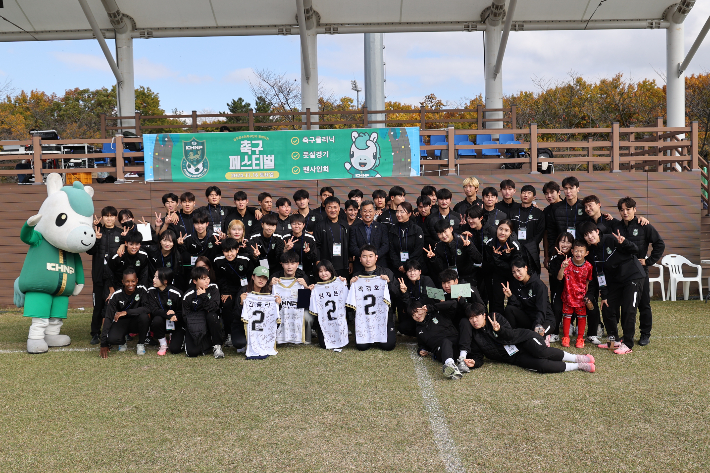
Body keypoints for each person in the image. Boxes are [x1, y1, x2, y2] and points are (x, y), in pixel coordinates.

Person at [457, 303, 596, 374]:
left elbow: (510, 335)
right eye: (471, 318)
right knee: (540, 365)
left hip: (523, 339)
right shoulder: (475, 336)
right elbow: (479, 357)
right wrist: (474, 362)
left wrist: (499, 330)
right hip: (514, 357)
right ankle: (579, 366)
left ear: (483, 314)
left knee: (541, 352)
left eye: (476, 316)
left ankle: (577, 357)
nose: (474, 320)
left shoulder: (495, 317)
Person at [581, 222, 645, 355]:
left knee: (628, 310)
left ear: (597, 231)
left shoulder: (610, 238)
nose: (590, 237)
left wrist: (624, 242)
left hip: (632, 276)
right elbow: (600, 275)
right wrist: (604, 295)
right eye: (586, 235)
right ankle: (613, 340)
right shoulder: (592, 253)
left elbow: (635, 250)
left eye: (591, 233)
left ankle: (627, 344)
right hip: (616, 282)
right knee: (607, 305)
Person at [612, 196, 665, 346]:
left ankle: (645, 334)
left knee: (643, 304)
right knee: (626, 305)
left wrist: (648, 261)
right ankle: (626, 334)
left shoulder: (644, 226)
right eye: (621, 210)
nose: (625, 212)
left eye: (628, 209)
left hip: (640, 272)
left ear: (634, 209)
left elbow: (659, 244)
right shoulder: (617, 226)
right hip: (622, 273)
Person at [349, 244, 398, 351]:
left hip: (383, 316)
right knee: (362, 346)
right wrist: (350, 285)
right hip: (364, 317)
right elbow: (349, 303)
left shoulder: (386, 272)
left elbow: (397, 294)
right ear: (360, 259)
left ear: (376, 257)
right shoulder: (356, 277)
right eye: (364, 256)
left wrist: (388, 283)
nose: (367, 259)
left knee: (388, 346)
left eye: (370, 256)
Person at [87, 205, 122, 344]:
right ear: (103, 217)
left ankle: (118, 331)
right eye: (106, 216)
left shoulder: (120, 233)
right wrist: (96, 239)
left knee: (116, 305)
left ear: (115, 218)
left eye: (112, 216)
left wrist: (124, 244)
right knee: (98, 306)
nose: (109, 218)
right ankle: (95, 333)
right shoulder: (96, 231)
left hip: (115, 278)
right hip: (99, 276)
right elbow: (90, 251)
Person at [99, 268, 151, 358]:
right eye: (127, 281)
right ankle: (122, 341)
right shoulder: (117, 295)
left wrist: (127, 312)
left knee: (145, 317)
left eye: (133, 281)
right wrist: (103, 343)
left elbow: (148, 308)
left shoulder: (142, 290)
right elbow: (108, 318)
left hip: (136, 321)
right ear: (122, 282)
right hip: (122, 322)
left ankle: (141, 344)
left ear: (137, 280)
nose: (130, 284)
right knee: (112, 339)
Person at [500, 258, 555, 340]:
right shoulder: (516, 284)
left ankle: (544, 337)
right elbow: (519, 306)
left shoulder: (539, 285)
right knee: (509, 309)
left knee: (535, 337)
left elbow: (541, 310)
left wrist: (536, 326)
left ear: (526, 268)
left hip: (544, 320)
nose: (517, 274)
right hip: (529, 318)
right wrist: (511, 296)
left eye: (519, 270)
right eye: (514, 272)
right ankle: (511, 336)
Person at [214, 237, 254, 348]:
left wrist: (245, 292)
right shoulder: (218, 260)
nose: (229, 254)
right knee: (226, 305)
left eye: (232, 250)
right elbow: (220, 279)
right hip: (227, 289)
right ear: (223, 251)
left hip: (243, 288)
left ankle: (246, 331)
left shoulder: (245, 259)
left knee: (243, 305)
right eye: (226, 251)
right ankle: (228, 334)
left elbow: (251, 276)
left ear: (237, 250)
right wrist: (226, 292)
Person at [409, 300, 463, 379]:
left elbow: (454, 304)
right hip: (440, 352)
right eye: (413, 315)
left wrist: (431, 307)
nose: (417, 316)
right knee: (445, 342)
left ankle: (452, 365)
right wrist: (421, 349)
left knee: (447, 341)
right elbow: (421, 344)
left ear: (423, 308)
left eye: (418, 311)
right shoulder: (419, 329)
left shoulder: (439, 313)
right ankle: (450, 365)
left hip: (456, 345)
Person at [239, 266, 282, 359]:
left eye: (264, 278)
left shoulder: (269, 293)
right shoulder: (244, 291)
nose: (261, 280)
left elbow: (275, 313)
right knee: (239, 343)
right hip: (244, 325)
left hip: (262, 326)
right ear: (253, 277)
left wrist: (278, 304)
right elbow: (235, 314)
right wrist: (241, 302)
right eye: (259, 277)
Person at [557, 241, 594, 348]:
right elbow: (559, 278)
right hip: (568, 296)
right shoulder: (567, 263)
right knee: (567, 317)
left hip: (581, 298)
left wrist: (586, 296)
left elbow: (588, 282)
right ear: (572, 251)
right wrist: (563, 267)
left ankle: (580, 338)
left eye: (581, 251)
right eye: (576, 251)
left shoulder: (588, 266)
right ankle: (566, 337)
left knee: (581, 317)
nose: (578, 253)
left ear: (586, 253)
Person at [182, 266, 224, 358]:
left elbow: (214, 308)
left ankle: (217, 346)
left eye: (208, 278)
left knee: (212, 316)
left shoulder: (213, 288)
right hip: (196, 324)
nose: (207, 281)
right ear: (195, 281)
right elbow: (186, 316)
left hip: (209, 322)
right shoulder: (188, 295)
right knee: (192, 353)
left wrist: (204, 296)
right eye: (203, 279)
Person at [425, 219, 482, 287]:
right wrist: (433, 258)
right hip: (450, 281)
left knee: (465, 297)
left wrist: (469, 247)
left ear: (451, 229)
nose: (443, 235)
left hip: (468, 278)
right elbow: (440, 269)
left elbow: (478, 259)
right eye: (440, 233)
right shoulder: (438, 246)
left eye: (445, 231)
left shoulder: (463, 240)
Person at [483, 219, 521, 315]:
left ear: (511, 232)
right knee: (497, 300)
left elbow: (514, 266)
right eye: (500, 229)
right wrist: (496, 257)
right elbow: (489, 264)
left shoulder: (514, 245)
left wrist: (506, 256)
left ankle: (511, 324)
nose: (502, 233)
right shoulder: (490, 243)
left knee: (512, 299)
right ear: (497, 229)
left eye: (506, 230)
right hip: (497, 273)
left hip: (513, 274)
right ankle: (497, 324)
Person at [309, 259, 349, 350]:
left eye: (326, 270)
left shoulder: (340, 283)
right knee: (324, 345)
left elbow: (347, 299)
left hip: (338, 319)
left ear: (331, 271)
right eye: (320, 271)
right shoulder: (316, 287)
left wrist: (344, 283)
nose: (323, 274)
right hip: (324, 321)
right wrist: (309, 290)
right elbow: (312, 308)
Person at [146, 267, 183, 356]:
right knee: (157, 320)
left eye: (157, 278)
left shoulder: (177, 293)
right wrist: (168, 315)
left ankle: (173, 336)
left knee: (175, 349)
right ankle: (163, 344)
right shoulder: (151, 291)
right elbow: (154, 310)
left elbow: (182, 311)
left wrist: (175, 315)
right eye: (154, 276)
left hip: (175, 322)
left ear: (165, 281)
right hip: (161, 321)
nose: (153, 279)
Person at [395, 259, 436, 336]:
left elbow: (427, 300)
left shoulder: (427, 280)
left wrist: (412, 305)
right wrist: (404, 293)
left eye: (415, 270)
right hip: (415, 315)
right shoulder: (405, 283)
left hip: (428, 313)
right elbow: (408, 307)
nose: (412, 273)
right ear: (406, 273)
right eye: (409, 271)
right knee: (402, 328)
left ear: (420, 272)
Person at [547, 232, 575, 343]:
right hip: (558, 289)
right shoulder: (554, 258)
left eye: (568, 242)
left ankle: (571, 325)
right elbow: (556, 277)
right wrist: (560, 259)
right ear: (558, 243)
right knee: (557, 309)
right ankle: (555, 332)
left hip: (572, 289)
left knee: (572, 307)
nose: (565, 244)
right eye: (562, 241)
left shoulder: (574, 257)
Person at [314, 196, 351, 278]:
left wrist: (350, 262)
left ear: (339, 209)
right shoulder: (320, 226)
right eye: (329, 207)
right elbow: (316, 245)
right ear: (326, 209)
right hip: (326, 266)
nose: (333, 210)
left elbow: (349, 244)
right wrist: (317, 260)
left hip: (343, 265)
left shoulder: (344, 225)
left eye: (335, 207)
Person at [512, 184, 545, 274]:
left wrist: (529, 245)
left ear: (534, 197)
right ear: (520, 195)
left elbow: (540, 233)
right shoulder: (513, 212)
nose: (526, 195)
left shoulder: (539, 213)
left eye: (529, 193)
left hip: (531, 251)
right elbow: (510, 230)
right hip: (515, 250)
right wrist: (516, 244)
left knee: (532, 277)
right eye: (523, 192)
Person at [350, 200, 390, 273]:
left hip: (379, 264)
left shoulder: (382, 227)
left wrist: (374, 257)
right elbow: (352, 247)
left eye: (370, 211)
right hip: (360, 266)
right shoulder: (354, 228)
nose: (367, 214)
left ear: (374, 212)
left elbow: (385, 245)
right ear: (361, 212)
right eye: (365, 211)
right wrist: (364, 257)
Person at [388, 201, 425, 279]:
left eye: (402, 212)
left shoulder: (417, 229)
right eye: (397, 211)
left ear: (409, 214)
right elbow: (392, 250)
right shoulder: (393, 229)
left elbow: (418, 250)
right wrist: (399, 265)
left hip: (413, 268)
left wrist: (406, 266)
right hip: (397, 268)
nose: (398, 214)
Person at [107, 228, 149, 294]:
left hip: (135, 287)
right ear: (126, 243)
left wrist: (141, 291)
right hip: (117, 286)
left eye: (137, 244)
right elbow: (108, 271)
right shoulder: (118, 254)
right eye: (131, 244)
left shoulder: (143, 255)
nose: (134, 247)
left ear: (140, 244)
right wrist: (111, 289)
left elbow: (144, 275)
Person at [280, 213, 318, 279]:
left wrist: (308, 252)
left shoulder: (309, 238)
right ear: (290, 225)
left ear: (303, 225)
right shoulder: (285, 238)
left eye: (299, 224)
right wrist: (285, 249)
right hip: (289, 272)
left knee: (304, 289)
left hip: (306, 271)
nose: (296, 226)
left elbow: (314, 258)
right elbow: (280, 258)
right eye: (294, 224)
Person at [541, 181, 562, 271]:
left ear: (559, 192)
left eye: (552, 192)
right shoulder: (546, 211)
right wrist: (546, 256)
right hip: (552, 251)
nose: (549, 196)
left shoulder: (567, 206)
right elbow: (545, 234)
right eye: (546, 193)